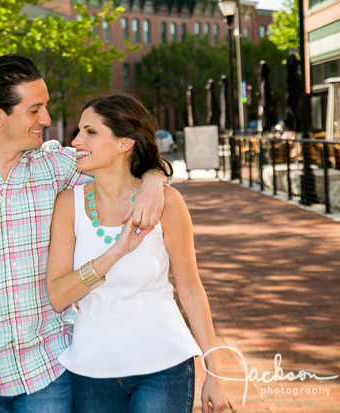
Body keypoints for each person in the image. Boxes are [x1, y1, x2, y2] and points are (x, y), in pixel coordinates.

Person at [0, 55, 168, 413]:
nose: (46, 119)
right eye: (35, 110)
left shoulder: (56, 166)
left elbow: (122, 164)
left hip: (48, 370)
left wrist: (155, 178)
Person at [46, 94, 227, 413]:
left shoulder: (165, 203)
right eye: (78, 130)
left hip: (163, 364)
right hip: (92, 368)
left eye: (90, 131)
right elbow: (58, 296)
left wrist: (214, 371)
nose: (75, 140)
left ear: (123, 143)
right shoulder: (68, 205)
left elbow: (190, 289)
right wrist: (115, 253)